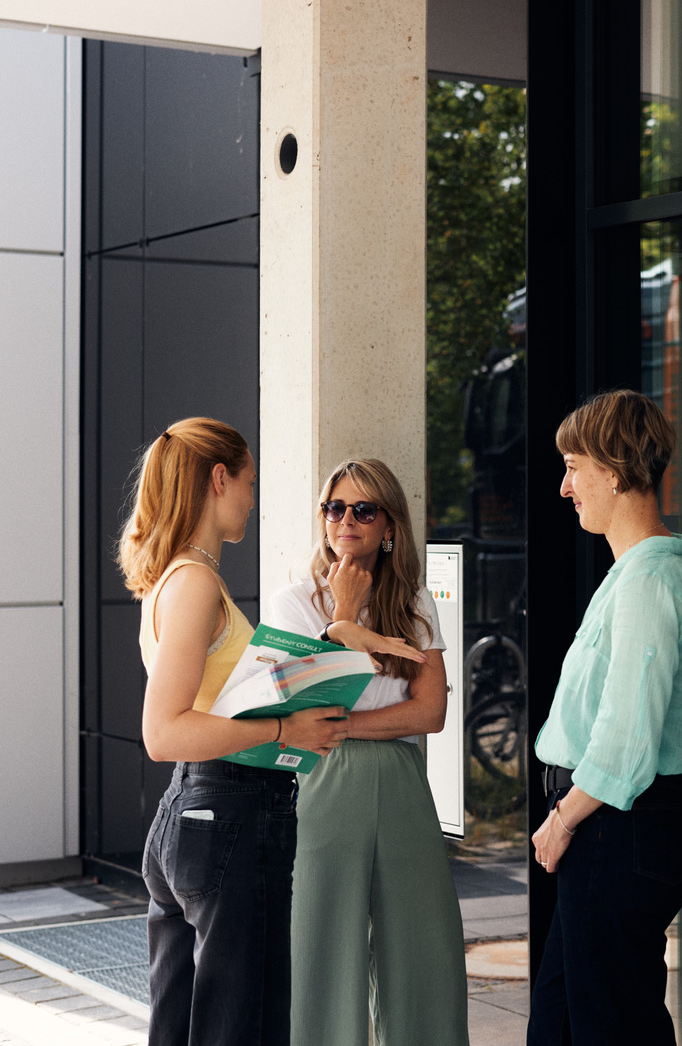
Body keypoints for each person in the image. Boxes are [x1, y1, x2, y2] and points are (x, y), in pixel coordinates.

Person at [117, 417, 351, 1046]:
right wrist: (286, 728)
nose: (253, 497)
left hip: (195, 817)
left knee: (186, 1026)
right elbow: (163, 731)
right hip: (229, 818)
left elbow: (214, 698)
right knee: (243, 1028)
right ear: (218, 479)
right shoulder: (194, 584)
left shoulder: (173, 578)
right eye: (250, 481)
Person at [528, 389, 682, 1045]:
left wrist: (561, 821)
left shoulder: (648, 583)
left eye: (574, 466)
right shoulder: (637, 575)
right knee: (561, 1023)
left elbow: (627, 739)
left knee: (609, 1027)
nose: (564, 486)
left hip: (619, 828)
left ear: (611, 468)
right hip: (617, 830)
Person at [267, 458, 469, 1046]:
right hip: (325, 785)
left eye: (363, 509)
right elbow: (310, 709)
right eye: (335, 508)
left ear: (390, 526)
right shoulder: (292, 603)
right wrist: (345, 618)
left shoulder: (415, 601)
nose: (346, 520)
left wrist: (348, 724)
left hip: (403, 781)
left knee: (425, 947)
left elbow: (429, 713)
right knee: (322, 947)